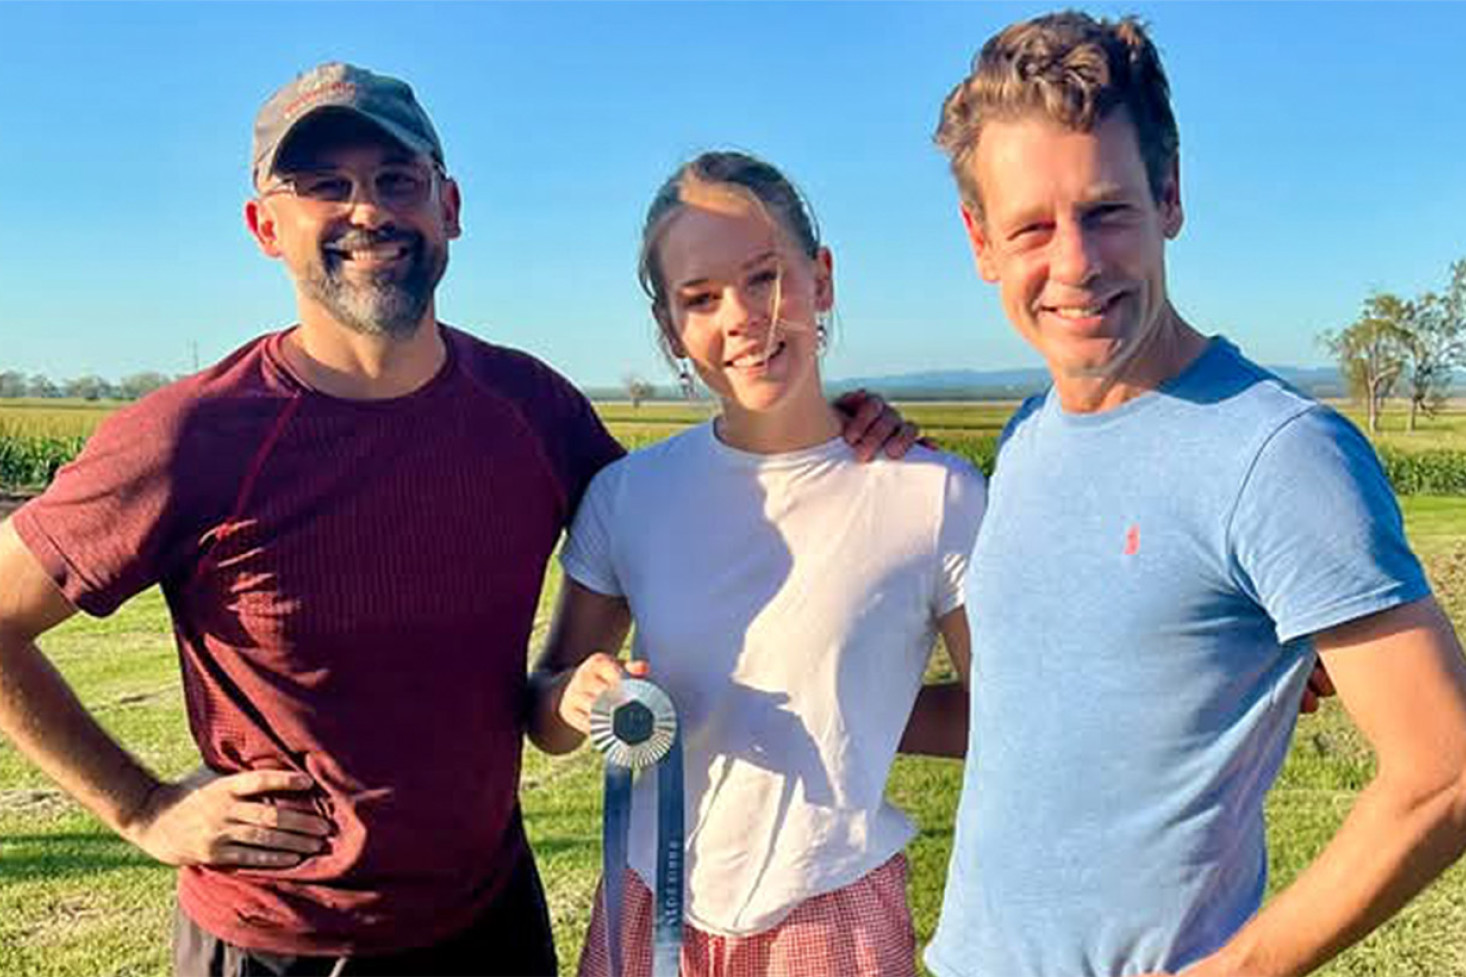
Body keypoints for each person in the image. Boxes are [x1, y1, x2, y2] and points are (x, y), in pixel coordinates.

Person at [0, 64, 911, 976]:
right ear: (265, 227)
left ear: (450, 206)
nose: (368, 211)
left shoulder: (531, 407)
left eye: (399, 180)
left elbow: (685, 510)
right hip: (276, 941)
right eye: (326, 185)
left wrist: (825, 436)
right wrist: (142, 807)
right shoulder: (188, 437)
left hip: (491, 924)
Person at [923, 12, 1466, 977]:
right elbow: (1028, 716)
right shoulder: (1030, 434)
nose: (1075, 263)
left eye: (1108, 212)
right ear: (980, 243)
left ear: (1169, 195)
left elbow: (1447, 769)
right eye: (1032, 228)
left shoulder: (1276, 451)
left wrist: (1241, 969)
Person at [527, 151, 984, 977]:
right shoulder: (627, 494)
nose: (740, 316)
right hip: (647, 907)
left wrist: (858, 714)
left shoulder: (935, 493)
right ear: (670, 329)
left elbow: (1004, 719)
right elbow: (546, 712)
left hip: (832, 910)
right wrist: (583, 695)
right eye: (699, 298)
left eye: (765, 277)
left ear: (822, 280)